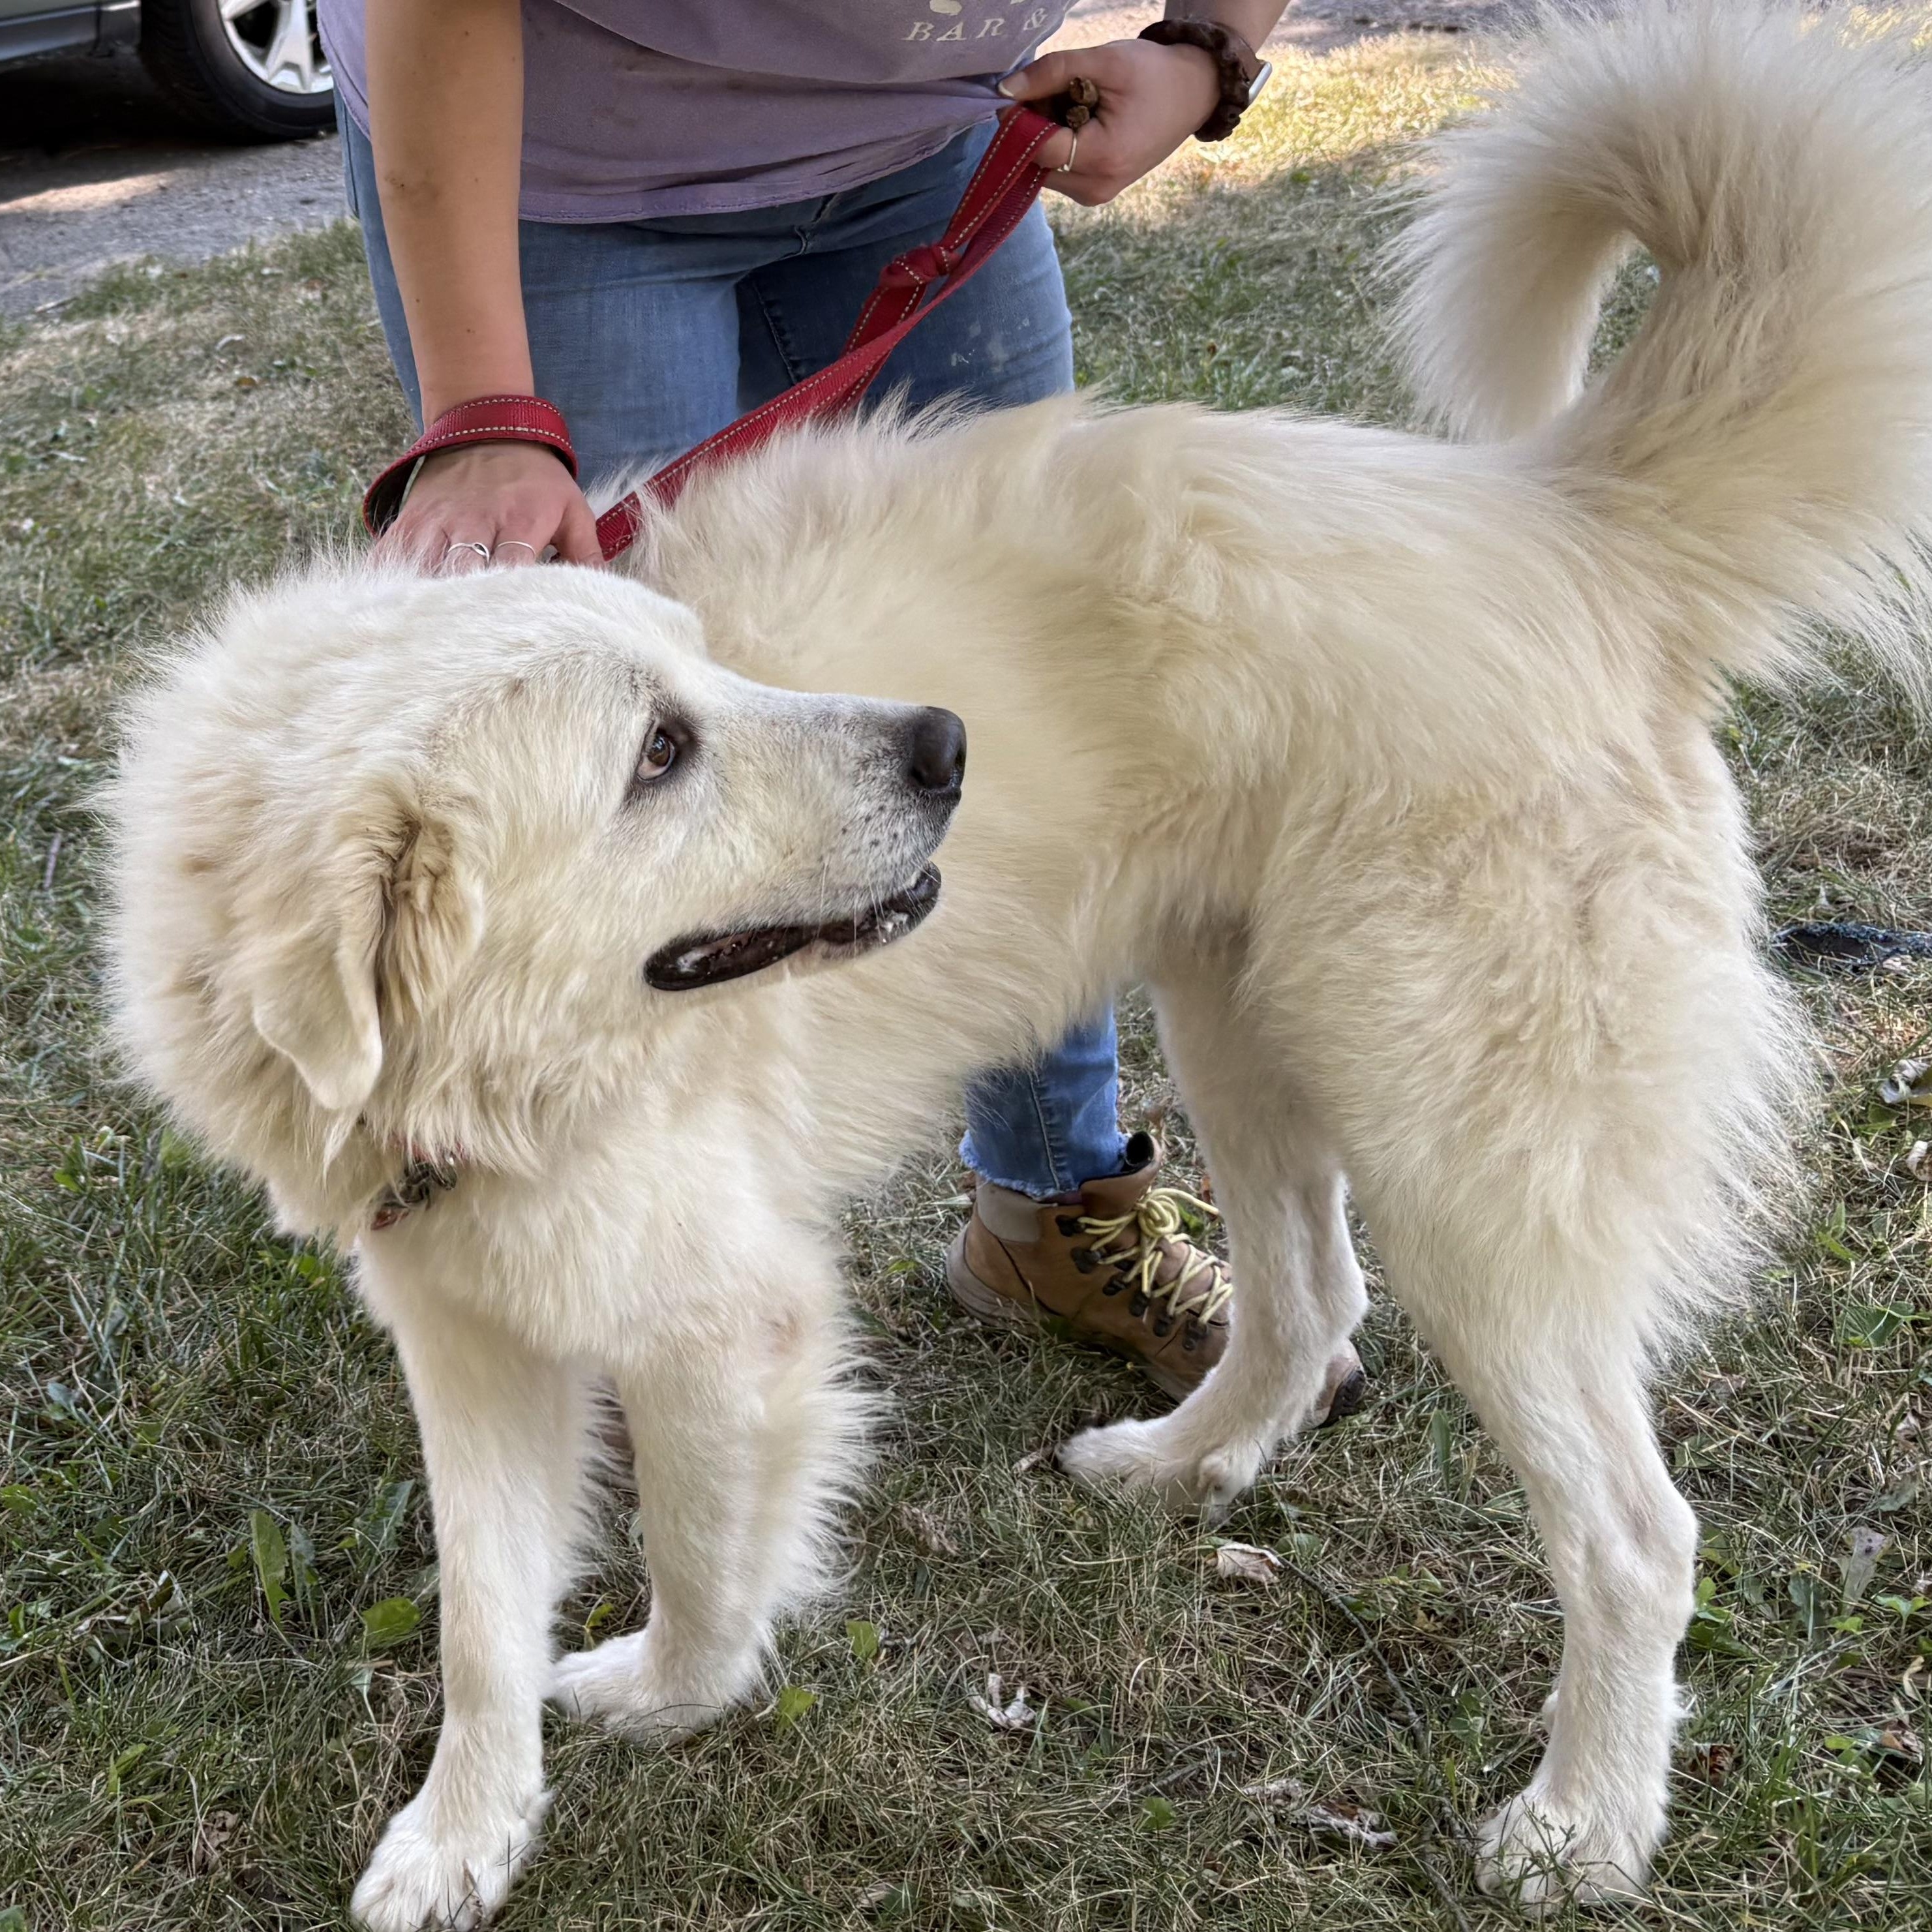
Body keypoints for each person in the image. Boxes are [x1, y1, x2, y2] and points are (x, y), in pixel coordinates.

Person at [321, 0, 1363, 1415]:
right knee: (634, 778)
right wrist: (485, 409)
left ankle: (1054, 1208)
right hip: (564, 169)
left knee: (1032, 703)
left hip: (926, 140)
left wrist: (1203, 48)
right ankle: (627, 1272)